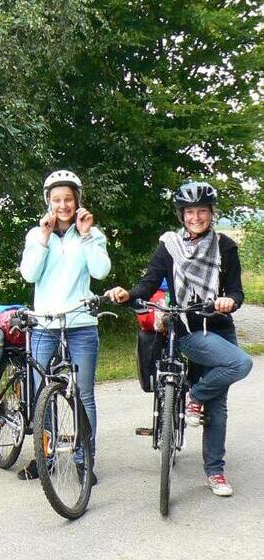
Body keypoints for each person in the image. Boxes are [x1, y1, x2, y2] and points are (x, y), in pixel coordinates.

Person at [105, 181, 252, 497]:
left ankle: (214, 470)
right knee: (240, 364)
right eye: (189, 212)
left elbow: (237, 291)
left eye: (202, 211)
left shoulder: (226, 246)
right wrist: (128, 294)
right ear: (181, 215)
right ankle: (194, 398)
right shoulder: (169, 245)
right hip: (186, 328)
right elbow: (148, 284)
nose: (196, 217)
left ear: (211, 213)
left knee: (221, 399)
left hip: (219, 328)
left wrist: (230, 301)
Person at [19, 170, 111, 483]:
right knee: (41, 394)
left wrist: (86, 235)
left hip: (80, 324)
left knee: (83, 395)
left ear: (77, 201)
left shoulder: (91, 233)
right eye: (56, 199)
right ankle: (44, 458)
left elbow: (100, 270)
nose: (62, 205)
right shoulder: (36, 235)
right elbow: (29, 274)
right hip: (45, 325)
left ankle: (84, 460)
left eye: (68, 199)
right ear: (48, 201)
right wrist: (43, 239)